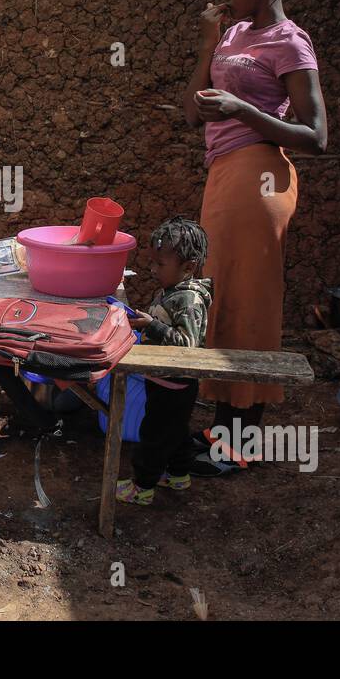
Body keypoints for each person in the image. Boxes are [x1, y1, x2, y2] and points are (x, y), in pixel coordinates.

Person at [183, 0, 328, 453]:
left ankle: (239, 444)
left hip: (261, 178)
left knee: (248, 305)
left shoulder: (290, 42)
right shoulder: (234, 33)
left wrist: (243, 110)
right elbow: (193, 112)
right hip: (224, 174)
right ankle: (223, 429)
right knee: (219, 298)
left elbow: (316, 136)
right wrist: (207, 44)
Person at [114, 217, 213, 506]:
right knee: (176, 432)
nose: (154, 270)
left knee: (154, 436)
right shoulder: (174, 292)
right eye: (154, 263)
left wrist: (150, 326)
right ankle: (179, 474)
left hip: (174, 383)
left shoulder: (188, 300)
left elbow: (187, 345)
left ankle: (143, 487)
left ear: (188, 267)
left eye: (160, 265)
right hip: (164, 381)